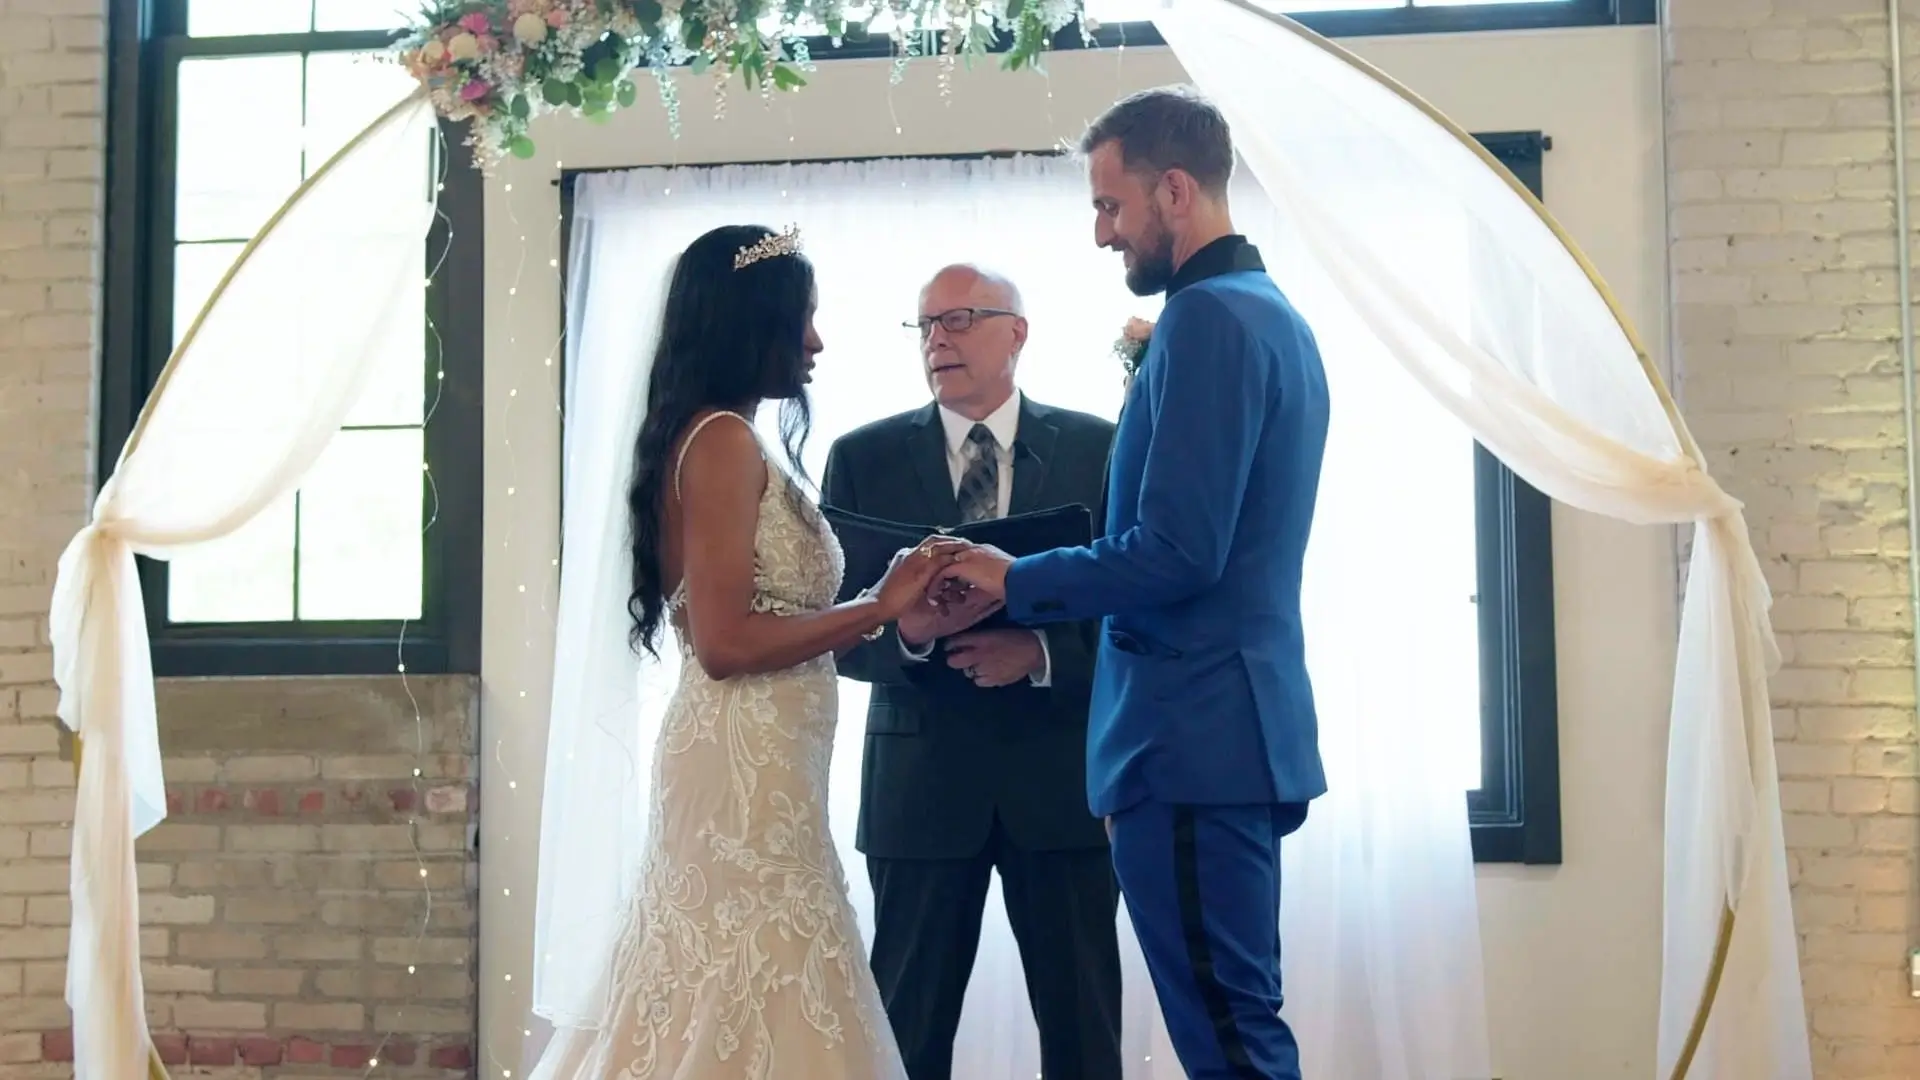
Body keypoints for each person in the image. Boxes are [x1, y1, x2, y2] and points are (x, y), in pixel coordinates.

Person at [937, 86, 1331, 1080]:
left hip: (1188, 739)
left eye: (1112, 207)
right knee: (1235, 1024)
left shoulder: (1207, 321)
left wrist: (1013, 579)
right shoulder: (1271, 314)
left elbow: (1176, 551)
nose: (1103, 233)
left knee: (1230, 1042)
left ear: (1175, 189)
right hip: (1228, 731)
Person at [529, 223, 960, 1080]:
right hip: (742, 770)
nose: (815, 341)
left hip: (764, 762)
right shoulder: (722, 441)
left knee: (741, 979)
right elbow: (723, 643)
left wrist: (900, 613)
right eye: (799, 319)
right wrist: (877, 606)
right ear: (745, 324)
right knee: (747, 973)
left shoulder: (720, 436)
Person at [821, 264, 1122, 1080]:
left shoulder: (1104, 448)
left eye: (958, 319)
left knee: (1085, 1035)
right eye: (924, 326)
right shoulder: (862, 457)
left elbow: (1143, 611)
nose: (938, 340)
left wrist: (1044, 653)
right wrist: (911, 635)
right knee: (906, 1041)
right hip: (920, 784)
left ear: (1016, 332)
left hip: (1061, 782)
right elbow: (830, 630)